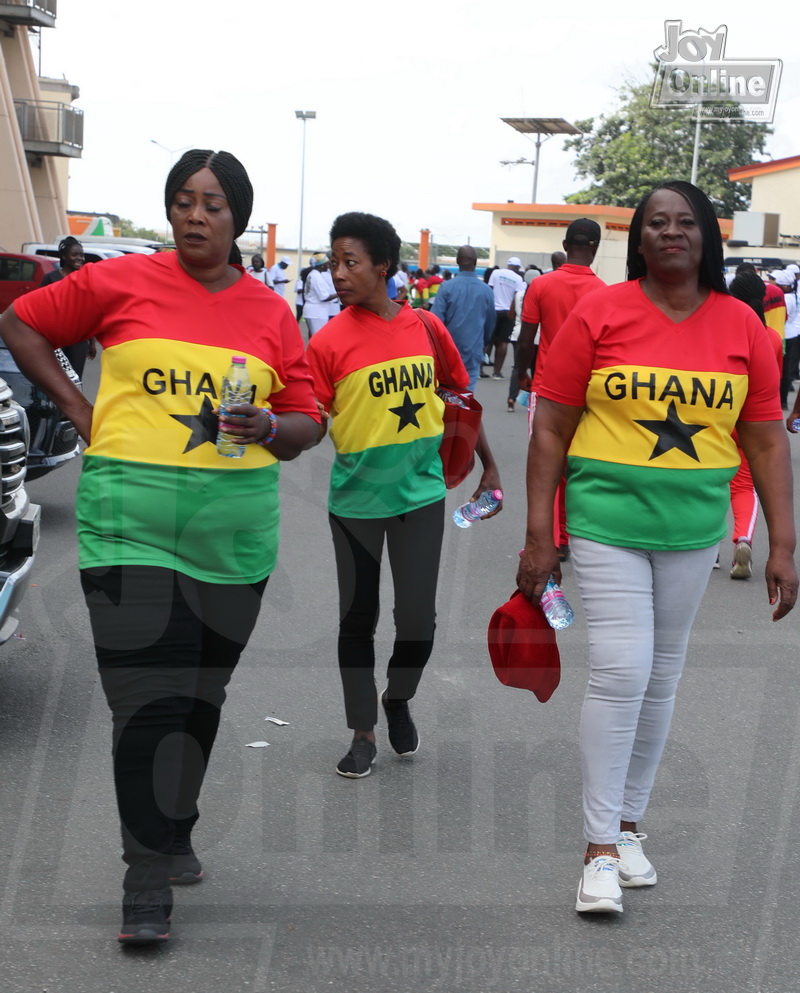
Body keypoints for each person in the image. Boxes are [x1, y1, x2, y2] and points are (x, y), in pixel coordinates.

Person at [0, 149, 321, 944]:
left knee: (199, 699)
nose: (195, 215)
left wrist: (272, 426)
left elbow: (309, 416)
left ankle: (174, 828)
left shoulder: (270, 313)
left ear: (238, 217)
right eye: (183, 200)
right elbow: (21, 322)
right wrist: (81, 410)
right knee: (146, 702)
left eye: (212, 203)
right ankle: (145, 877)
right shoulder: (120, 282)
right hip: (126, 530)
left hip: (234, 541)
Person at [517, 180, 797, 916]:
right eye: (655, 224)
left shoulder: (743, 326)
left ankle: (630, 825)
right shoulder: (600, 313)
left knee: (662, 676)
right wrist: (540, 534)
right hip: (607, 521)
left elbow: (766, 439)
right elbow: (550, 427)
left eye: (684, 223)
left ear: (707, 235)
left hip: (694, 529)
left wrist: (782, 544)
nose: (670, 233)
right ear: (636, 240)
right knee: (622, 669)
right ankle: (598, 848)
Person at [306, 211, 502, 779]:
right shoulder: (328, 341)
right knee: (356, 620)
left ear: (383, 266)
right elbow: (314, 417)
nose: (337, 273)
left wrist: (489, 465)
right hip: (354, 505)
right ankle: (362, 731)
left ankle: (398, 696)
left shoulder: (425, 327)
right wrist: (284, 425)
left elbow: (460, 399)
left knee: (418, 621)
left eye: (351, 262)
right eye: (334, 261)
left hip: (421, 497)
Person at [517, 218, 604, 559]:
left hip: (547, 389)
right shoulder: (604, 292)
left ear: (566, 245)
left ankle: (549, 539)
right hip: (587, 391)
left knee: (545, 465)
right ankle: (566, 536)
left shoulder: (541, 285)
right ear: (595, 249)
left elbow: (526, 339)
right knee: (574, 466)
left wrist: (523, 373)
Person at [725, 270, 785, 578]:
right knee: (744, 487)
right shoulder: (772, 337)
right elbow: (774, 383)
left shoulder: (721, 331)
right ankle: (743, 540)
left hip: (718, 417)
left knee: (708, 481)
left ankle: (705, 552)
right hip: (753, 424)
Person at [430, 245, 496, 390]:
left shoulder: (446, 288)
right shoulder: (486, 291)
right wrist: (482, 344)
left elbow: (435, 323)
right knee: (466, 396)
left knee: (444, 394)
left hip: (446, 354)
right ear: (476, 262)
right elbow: (490, 324)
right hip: (472, 352)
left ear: (457, 261)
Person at [39, 236, 96, 378]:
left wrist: (92, 342)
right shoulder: (50, 278)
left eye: (81, 255)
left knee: (75, 378)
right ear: (64, 256)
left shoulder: (86, 279)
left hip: (79, 339)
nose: (80, 258)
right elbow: (40, 307)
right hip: (56, 338)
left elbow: (89, 311)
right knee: (56, 378)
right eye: (74, 254)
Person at [487, 256, 523, 378]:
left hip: (493, 310)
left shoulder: (496, 273)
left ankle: (480, 370)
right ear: (517, 267)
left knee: (488, 340)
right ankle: (497, 372)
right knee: (503, 342)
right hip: (507, 312)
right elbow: (516, 297)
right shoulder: (518, 278)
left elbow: (489, 289)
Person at [303, 255, 338, 337]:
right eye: (327, 264)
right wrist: (339, 294)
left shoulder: (312, 274)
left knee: (315, 338)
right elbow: (324, 297)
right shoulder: (317, 276)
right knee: (320, 338)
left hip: (312, 311)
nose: (329, 266)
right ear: (322, 265)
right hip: (317, 312)